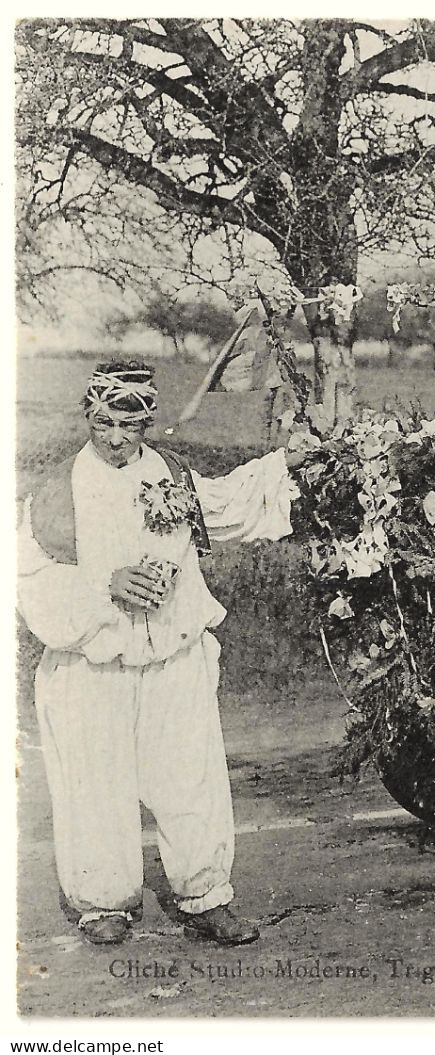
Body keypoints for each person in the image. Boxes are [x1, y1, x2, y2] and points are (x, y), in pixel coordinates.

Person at [18, 361, 307, 947]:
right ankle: (103, 902)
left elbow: (224, 503)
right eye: (104, 423)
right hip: (91, 661)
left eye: (131, 425)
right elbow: (25, 579)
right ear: (89, 416)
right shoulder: (56, 491)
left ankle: (204, 895)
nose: (117, 437)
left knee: (189, 774)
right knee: (95, 779)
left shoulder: (172, 473)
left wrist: (284, 464)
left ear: (148, 422)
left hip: (174, 652)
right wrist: (106, 585)